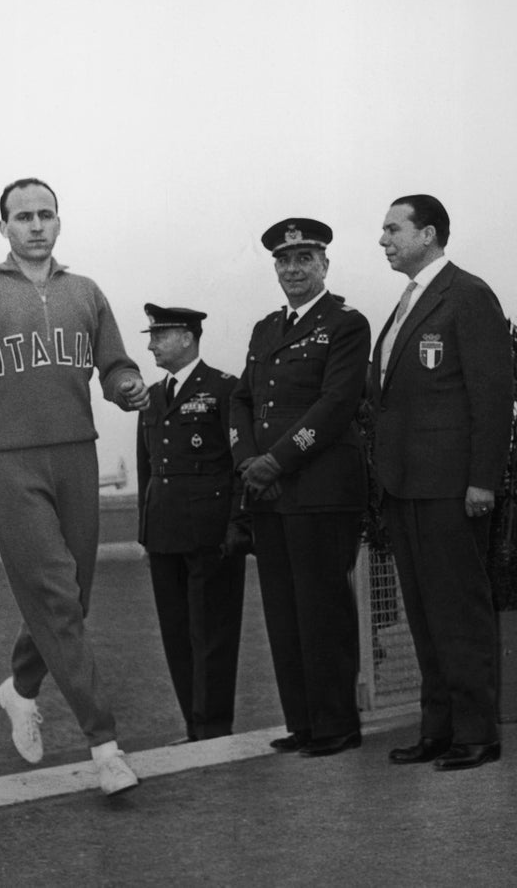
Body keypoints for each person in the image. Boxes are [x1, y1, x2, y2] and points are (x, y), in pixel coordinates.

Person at [0, 176, 150, 795]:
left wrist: (125, 386)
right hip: (9, 459)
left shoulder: (85, 293)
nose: (35, 225)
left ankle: (20, 687)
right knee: (57, 598)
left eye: (45, 214)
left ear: (58, 221)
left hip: (76, 454)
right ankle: (106, 746)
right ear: (4, 227)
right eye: (22, 217)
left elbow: (113, 362)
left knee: (73, 598)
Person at [373, 194, 513, 771]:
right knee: (424, 615)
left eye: (392, 229)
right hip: (406, 488)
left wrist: (482, 480)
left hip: (452, 488)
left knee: (459, 611)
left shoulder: (468, 295)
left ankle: (477, 734)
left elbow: (493, 395)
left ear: (427, 234)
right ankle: (438, 729)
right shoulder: (408, 302)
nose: (382, 241)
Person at [230, 218, 371, 756]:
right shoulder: (267, 328)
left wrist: (277, 460)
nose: (293, 269)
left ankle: (336, 725)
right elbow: (242, 399)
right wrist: (248, 460)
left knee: (323, 611)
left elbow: (336, 405)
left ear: (324, 266)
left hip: (320, 489)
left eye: (304, 259)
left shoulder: (345, 323)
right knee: (285, 614)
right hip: (269, 492)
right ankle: (304, 724)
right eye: (284, 261)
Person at [137, 304, 251, 743]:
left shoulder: (224, 389)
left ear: (186, 337)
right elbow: (149, 471)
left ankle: (214, 727)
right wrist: (145, 535)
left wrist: (237, 525)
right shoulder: (151, 396)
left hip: (211, 533)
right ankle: (193, 725)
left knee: (214, 635)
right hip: (165, 534)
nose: (150, 345)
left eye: (158, 336)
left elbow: (240, 462)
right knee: (177, 636)